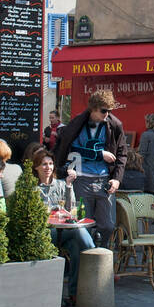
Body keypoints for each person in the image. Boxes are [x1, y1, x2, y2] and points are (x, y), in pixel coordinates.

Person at [52, 90, 127, 250]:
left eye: (109, 110)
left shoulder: (114, 125)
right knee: (82, 225)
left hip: (104, 180)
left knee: (107, 225)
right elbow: (70, 148)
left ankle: (102, 259)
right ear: (93, 108)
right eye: (103, 110)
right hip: (81, 180)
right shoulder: (77, 124)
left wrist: (117, 179)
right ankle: (88, 260)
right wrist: (98, 154)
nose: (107, 114)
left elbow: (122, 153)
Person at [32, 149, 92, 307]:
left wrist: (68, 185)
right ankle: (93, 253)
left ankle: (73, 294)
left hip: (62, 231)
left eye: (50, 164)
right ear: (36, 167)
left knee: (75, 247)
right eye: (44, 164)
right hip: (45, 232)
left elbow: (70, 208)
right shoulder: (32, 188)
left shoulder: (59, 184)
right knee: (78, 231)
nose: (48, 167)